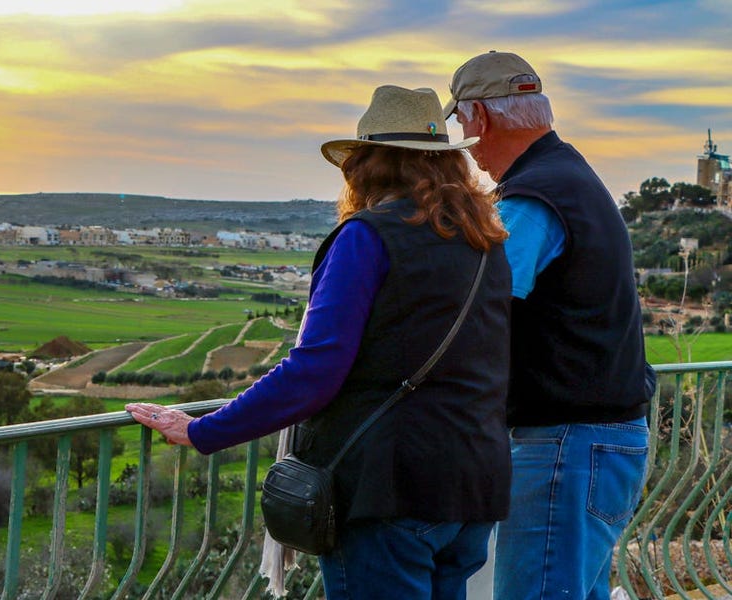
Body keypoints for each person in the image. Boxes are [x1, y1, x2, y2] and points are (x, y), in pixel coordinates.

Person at [127, 84, 512, 599]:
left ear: (365, 165)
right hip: (473, 484)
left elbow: (314, 371)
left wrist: (205, 430)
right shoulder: (485, 243)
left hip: (389, 488)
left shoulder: (367, 237)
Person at [443, 51, 653, 600]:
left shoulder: (533, 197)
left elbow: (478, 309)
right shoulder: (568, 176)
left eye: (462, 122)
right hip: (601, 441)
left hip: (566, 443)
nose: (466, 139)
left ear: (481, 117)